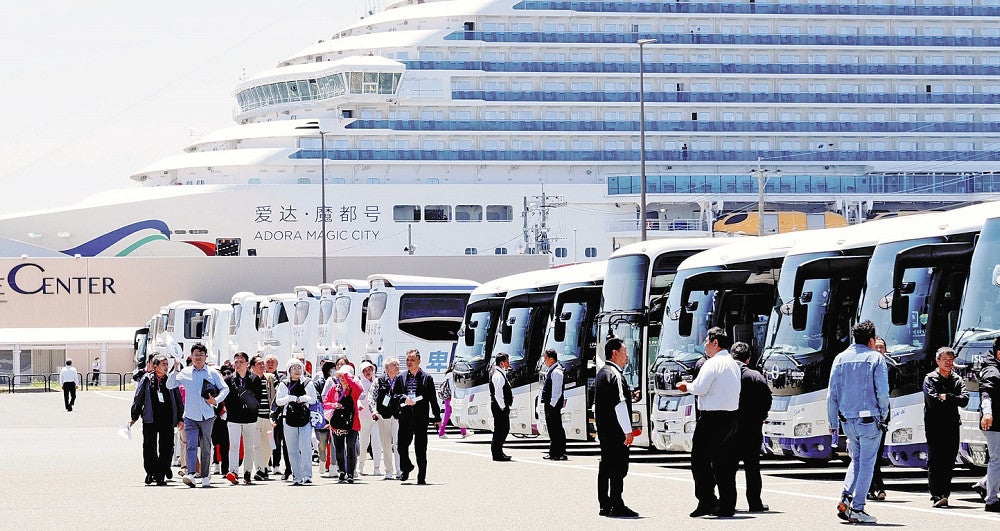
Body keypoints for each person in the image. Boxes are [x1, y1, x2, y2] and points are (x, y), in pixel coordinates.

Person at [827, 320, 888, 524]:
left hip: (847, 420)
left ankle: (845, 496)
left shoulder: (840, 358)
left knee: (856, 460)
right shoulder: (876, 359)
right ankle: (858, 507)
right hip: (870, 420)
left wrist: (832, 422)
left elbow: (831, 395)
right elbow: (882, 392)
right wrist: (884, 415)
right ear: (871, 340)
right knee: (868, 464)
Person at [676, 327, 741, 518]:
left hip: (712, 418)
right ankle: (727, 505)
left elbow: (699, 387)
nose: (704, 344)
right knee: (725, 464)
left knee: (700, 461)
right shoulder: (732, 364)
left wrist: (685, 385)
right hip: (731, 417)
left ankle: (707, 501)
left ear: (715, 343)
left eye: (706, 341)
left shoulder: (712, 363)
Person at [167, 343, 230, 488]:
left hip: (207, 416)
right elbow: (170, 385)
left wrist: (216, 401)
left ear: (205, 356)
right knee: (191, 445)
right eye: (195, 355)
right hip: (190, 415)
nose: (198, 358)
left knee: (206, 446)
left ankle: (205, 476)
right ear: (191, 356)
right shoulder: (185, 372)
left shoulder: (212, 373)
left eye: (201, 355)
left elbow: (224, 389)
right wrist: (175, 369)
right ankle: (191, 474)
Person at [594, 338, 638, 518]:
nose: (627, 355)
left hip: (605, 430)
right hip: (616, 431)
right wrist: (628, 431)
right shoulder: (616, 375)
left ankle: (605, 504)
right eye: (625, 351)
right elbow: (619, 405)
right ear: (615, 352)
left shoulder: (602, 373)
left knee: (605, 467)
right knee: (618, 468)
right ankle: (617, 504)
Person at [922, 346, 969, 507]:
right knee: (936, 460)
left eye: (951, 360)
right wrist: (951, 399)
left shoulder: (957, 379)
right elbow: (933, 402)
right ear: (937, 361)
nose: (949, 363)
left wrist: (946, 397)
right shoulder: (930, 378)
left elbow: (964, 400)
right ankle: (936, 494)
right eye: (945, 360)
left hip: (952, 424)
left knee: (949, 459)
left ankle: (945, 493)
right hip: (934, 425)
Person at [130, 354, 184, 486]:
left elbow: (178, 400)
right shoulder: (147, 379)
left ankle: (161, 474)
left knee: (166, 447)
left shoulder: (170, 380)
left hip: (167, 418)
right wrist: (134, 416)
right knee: (149, 447)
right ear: (155, 366)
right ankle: (150, 472)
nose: (166, 367)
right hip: (150, 417)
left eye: (167, 364)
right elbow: (139, 397)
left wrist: (180, 418)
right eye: (163, 364)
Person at [731, 341, 771, 512]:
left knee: (727, 467)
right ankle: (754, 502)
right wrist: (761, 417)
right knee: (752, 467)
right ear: (748, 359)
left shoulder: (725, 374)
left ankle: (727, 502)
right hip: (752, 429)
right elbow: (767, 400)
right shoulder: (755, 376)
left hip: (729, 428)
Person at [391, 349, 441, 484]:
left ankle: (422, 476)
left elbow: (433, 399)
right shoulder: (400, 377)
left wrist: (437, 418)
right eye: (407, 360)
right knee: (401, 446)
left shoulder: (427, 378)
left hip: (421, 417)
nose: (409, 362)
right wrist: (403, 398)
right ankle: (406, 467)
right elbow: (394, 395)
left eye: (412, 360)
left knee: (420, 448)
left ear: (419, 361)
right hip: (405, 417)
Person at [223, 352, 263, 486]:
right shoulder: (228, 380)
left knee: (249, 447)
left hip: (250, 418)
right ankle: (233, 471)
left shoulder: (255, 379)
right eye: (236, 361)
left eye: (241, 361)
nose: (238, 364)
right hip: (233, 417)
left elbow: (259, 398)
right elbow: (226, 399)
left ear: (247, 364)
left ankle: (247, 472)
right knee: (233, 445)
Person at [274, 358, 316, 485]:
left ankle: (307, 475)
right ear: (289, 370)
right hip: (288, 418)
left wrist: (302, 398)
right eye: (294, 368)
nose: (297, 371)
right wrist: (290, 398)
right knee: (291, 448)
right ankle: (296, 475)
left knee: (305, 447)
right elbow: (278, 401)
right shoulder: (284, 384)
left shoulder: (308, 382)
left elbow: (313, 399)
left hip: (304, 418)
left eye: (299, 368)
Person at [326, 364, 362, 483]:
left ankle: (351, 473)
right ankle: (342, 471)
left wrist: (347, 375)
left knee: (351, 448)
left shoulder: (354, 389)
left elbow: (359, 390)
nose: (342, 378)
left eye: (344, 376)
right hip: (337, 422)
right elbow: (325, 402)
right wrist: (334, 405)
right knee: (339, 448)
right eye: (340, 375)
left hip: (352, 422)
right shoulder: (334, 388)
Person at [371, 357, 401, 480]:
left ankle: (400, 470)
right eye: (395, 365)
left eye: (398, 365)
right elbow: (371, 396)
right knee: (386, 444)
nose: (398, 367)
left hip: (398, 416)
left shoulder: (401, 379)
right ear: (387, 368)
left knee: (399, 444)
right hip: (384, 416)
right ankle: (389, 470)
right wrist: (374, 409)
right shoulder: (379, 381)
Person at [867, 336, 889, 502]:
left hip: (882, 416)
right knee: (868, 454)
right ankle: (877, 487)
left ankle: (873, 487)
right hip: (866, 415)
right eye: (877, 347)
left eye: (882, 347)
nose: (879, 350)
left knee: (877, 452)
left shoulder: (890, 368)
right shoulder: (865, 368)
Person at [980, 336, 1000, 512]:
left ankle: (983, 484)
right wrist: (987, 413)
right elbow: (986, 392)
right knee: (996, 459)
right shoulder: (992, 371)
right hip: (994, 423)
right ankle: (991, 500)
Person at [356, 359, 384, 476]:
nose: (368, 372)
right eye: (365, 370)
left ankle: (377, 467)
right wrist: (359, 404)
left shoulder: (377, 382)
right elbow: (356, 397)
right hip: (364, 418)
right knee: (364, 443)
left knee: (377, 443)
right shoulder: (359, 383)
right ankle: (361, 465)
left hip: (376, 417)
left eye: (370, 369)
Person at [250, 354, 275, 481]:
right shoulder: (250, 380)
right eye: (258, 363)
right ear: (252, 366)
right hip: (255, 417)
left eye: (262, 363)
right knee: (257, 445)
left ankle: (265, 466)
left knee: (269, 444)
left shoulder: (269, 378)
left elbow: (275, 397)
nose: (262, 365)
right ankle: (260, 469)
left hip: (268, 417)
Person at [541, 349, 567, 460]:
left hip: (553, 405)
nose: (544, 361)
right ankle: (553, 452)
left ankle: (559, 452)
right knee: (552, 429)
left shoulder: (557, 371)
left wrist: (551, 405)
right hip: (550, 404)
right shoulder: (551, 370)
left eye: (545, 358)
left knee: (556, 429)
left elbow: (556, 392)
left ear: (551, 359)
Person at [311, 359, 335, 477]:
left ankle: (333, 465)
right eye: (330, 368)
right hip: (322, 415)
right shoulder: (318, 382)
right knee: (322, 442)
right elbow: (317, 397)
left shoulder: (337, 381)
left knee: (334, 442)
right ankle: (322, 461)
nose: (332, 370)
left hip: (336, 414)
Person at [490, 352, 513, 461]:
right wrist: (503, 407)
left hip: (499, 406)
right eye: (507, 361)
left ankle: (498, 452)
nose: (509, 364)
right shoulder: (498, 375)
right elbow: (498, 394)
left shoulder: (500, 372)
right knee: (501, 429)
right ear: (502, 363)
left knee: (502, 429)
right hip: (499, 407)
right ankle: (497, 453)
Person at [438, 366, 467, 439]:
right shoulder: (453, 376)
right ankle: (464, 432)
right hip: (453, 398)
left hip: (448, 398)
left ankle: (441, 432)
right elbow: (454, 388)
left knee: (446, 416)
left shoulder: (447, 375)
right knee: (458, 414)